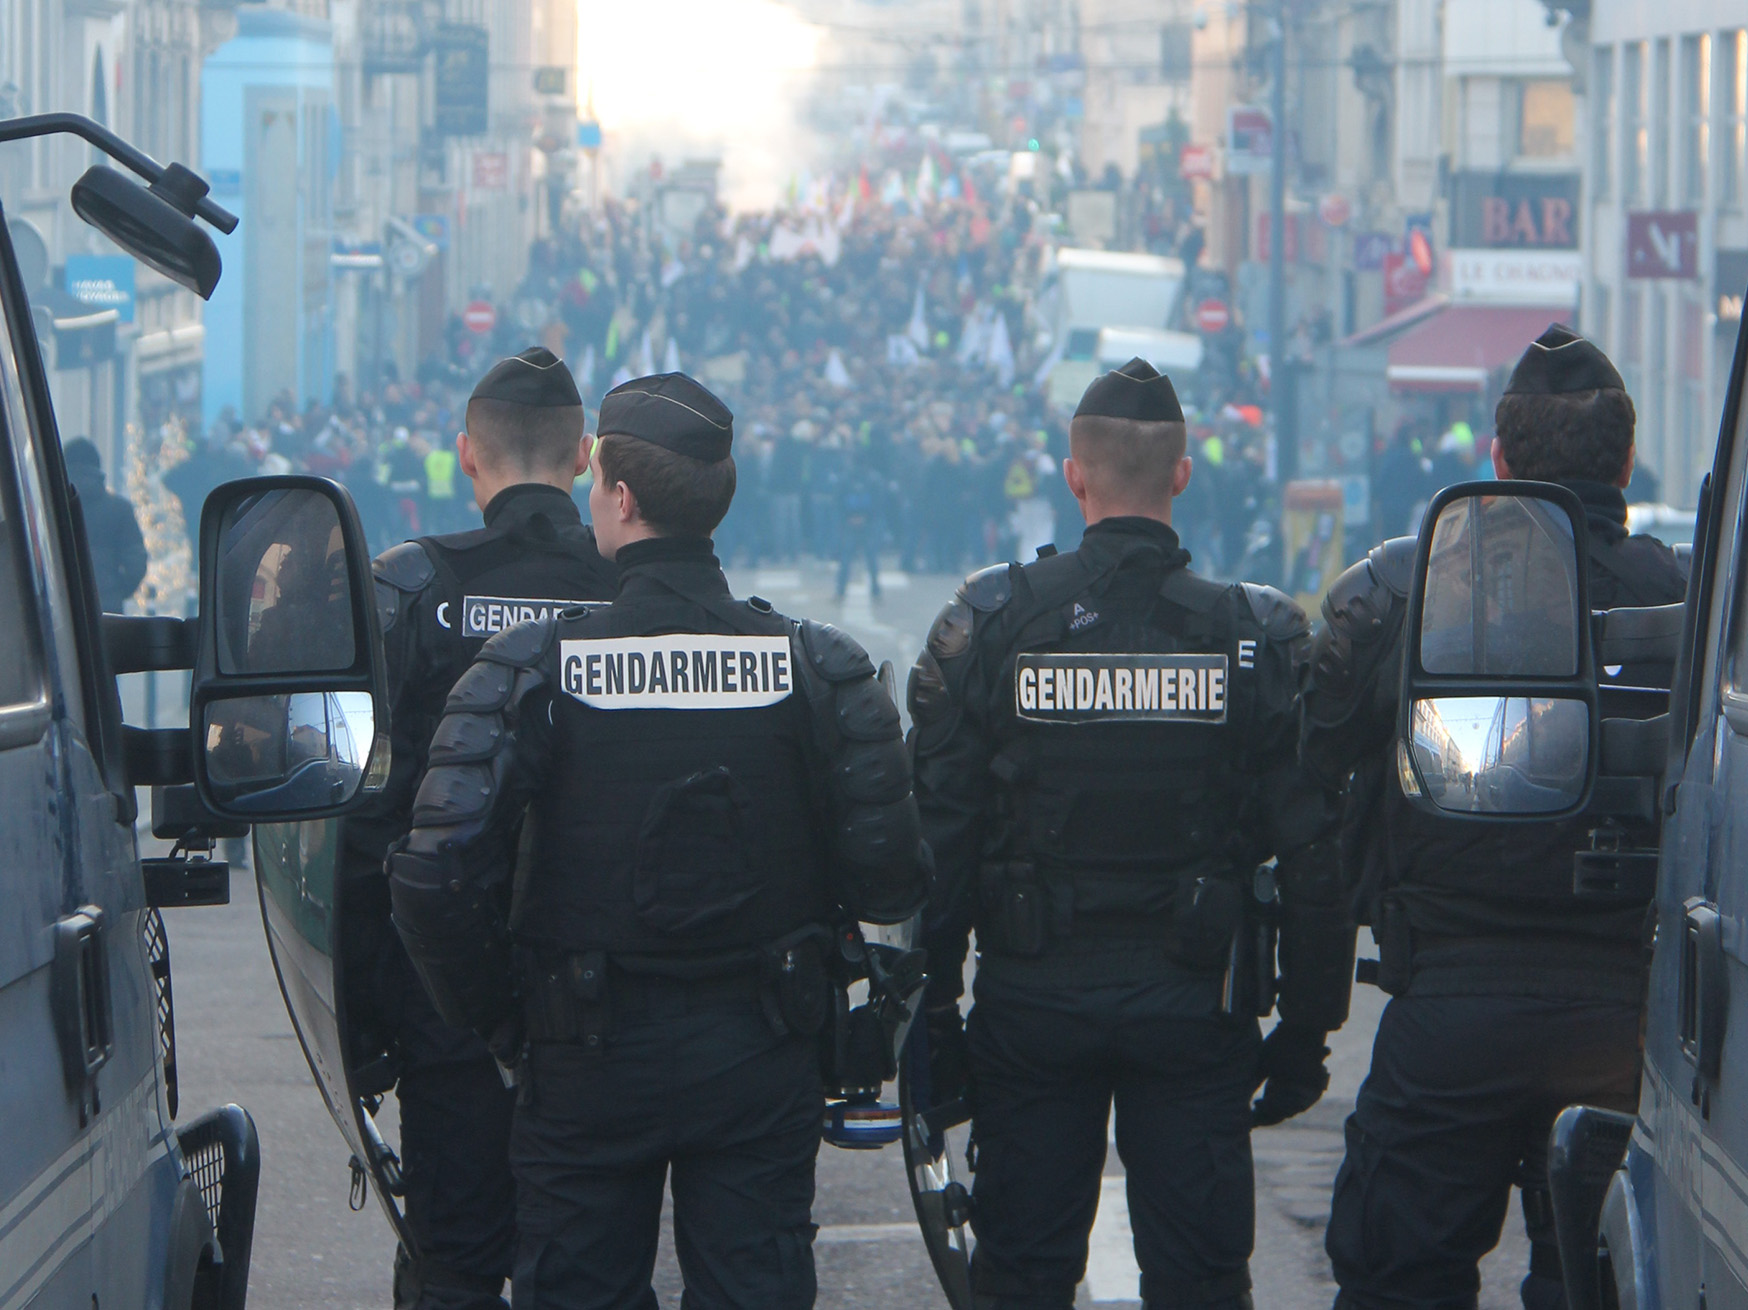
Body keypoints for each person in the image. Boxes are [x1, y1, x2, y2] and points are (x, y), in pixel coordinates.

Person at [386, 371, 929, 1310]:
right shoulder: (819, 664)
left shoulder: (529, 665)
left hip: (585, 1054)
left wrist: (508, 1022)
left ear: (622, 499)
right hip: (760, 1053)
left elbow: (433, 872)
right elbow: (891, 879)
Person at [910, 357, 1355, 1309]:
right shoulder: (1256, 638)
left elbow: (938, 841)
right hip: (1195, 1009)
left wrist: (933, 1013)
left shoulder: (993, 624)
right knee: (1198, 1281)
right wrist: (1309, 1031)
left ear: (1075, 475)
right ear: (1182, 476)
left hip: (1035, 1003)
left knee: (1021, 1276)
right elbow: (1318, 853)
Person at [1303, 325, 1688, 1310]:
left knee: (1397, 1275)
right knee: (1603, 1275)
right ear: (1625, 461)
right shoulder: (1685, 603)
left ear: (1497, 460)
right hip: (1623, 1008)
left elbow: (1306, 781)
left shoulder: (1397, 592)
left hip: (1449, 998)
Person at [341, 347, 618, 1310]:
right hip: (609, 994)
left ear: (468, 454)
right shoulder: (641, 595)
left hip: (448, 990)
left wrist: (366, 1010)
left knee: (455, 1259)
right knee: (594, 1259)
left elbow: (365, 827)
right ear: (584, 457)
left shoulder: (415, 587)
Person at [64, 437, 147, 613]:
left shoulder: (52, 510)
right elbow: (136, 561)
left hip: (62, 608)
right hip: (107, 609)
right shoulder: (119, 509)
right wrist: (117, 590)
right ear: (97, 469)